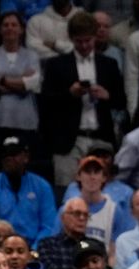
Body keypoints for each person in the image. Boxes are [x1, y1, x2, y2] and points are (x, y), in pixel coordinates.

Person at [41, 12, 125, 190]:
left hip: (101, 138)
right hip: (69, 142)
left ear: (95, 37)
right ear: (71, 38)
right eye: (79, 41)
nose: (85, 45)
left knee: (105, 191)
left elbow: (121, 101)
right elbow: (46, 102)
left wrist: (106, 95)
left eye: (88, 40)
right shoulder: (56, 65)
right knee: (66, 192)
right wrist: (69, 93)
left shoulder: (109, 64)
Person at [0, 12, 42, 172]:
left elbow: (33, 84)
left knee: (23, 167)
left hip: (24, 121)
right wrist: (20, 81)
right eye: (5, 25)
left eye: (14, 25)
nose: (10, 28)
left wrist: (2, 80)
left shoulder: (32, 55)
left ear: (21, 30)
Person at [0, 137, 57, 247]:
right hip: (0, 248)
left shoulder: (42, 186)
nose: (9, 158)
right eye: (5, 155)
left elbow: (49, 226)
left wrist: (34, 249)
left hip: (34, 248)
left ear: (26, 157)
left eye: (14, 154)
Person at [36, 197, 89, 269]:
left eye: (85, 215)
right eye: (77, 213)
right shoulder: (47, 244)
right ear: (63, 217)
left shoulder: (94, 245)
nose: (82, 218)